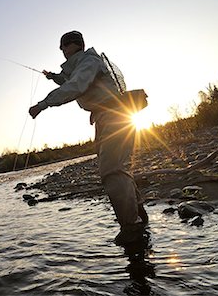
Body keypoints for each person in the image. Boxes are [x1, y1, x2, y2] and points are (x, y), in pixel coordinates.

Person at [29, 31, 148, 245]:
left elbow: (75, 86)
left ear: (74, 45)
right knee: (117, 168)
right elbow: (70, 79)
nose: (61, 51)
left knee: (112, 170)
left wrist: (42, 105)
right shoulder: (85, 63)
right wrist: (54, 77)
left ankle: (132, 228)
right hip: (109, 117)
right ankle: (139, 216)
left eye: (63, 46)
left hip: (115, 117)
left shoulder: (89, 61)